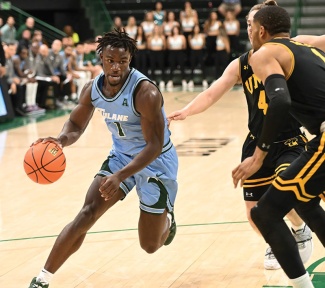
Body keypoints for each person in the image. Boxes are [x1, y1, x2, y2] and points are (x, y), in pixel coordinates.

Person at [168, 0, 313, 271]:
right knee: (254, 212)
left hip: (289, 138)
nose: (248, 28)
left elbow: (318, 40)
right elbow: (213, 91)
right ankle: (276, 239)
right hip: (256, 140)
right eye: (246, 23)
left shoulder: (289, 48)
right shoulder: (242, 64)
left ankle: (300, 228)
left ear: (265, 27)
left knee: (285, 188)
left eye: (252, 23)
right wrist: (187, 111)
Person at [28, 29, 178, 288]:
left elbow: (153, 146)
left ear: (130, 60)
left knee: (150, 245)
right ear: (101, 57)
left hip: (155, 163)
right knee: (87, 213)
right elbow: (75, 123)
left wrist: (120, 176)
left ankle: (168, 219)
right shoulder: (92, 88)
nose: (116, 67)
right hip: (120, 157)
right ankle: (42, 278)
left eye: (122, 61)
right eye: (111, 60)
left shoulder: (146, 93)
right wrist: (60, 141)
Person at [231, 5, 325, 288]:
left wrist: (258, 156)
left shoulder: (265, 54)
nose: (248, 32)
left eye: (250, 27)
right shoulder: (307, 48)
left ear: (261, 31)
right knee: (303, 196)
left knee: (265, 212)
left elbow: (280, 101)